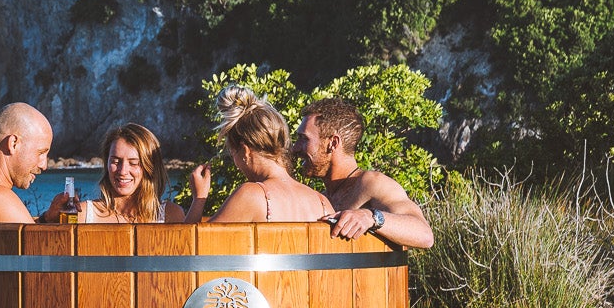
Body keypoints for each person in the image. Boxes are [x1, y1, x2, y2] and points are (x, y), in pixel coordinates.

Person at [292, 96, 435, 249]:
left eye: (303, 138)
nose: (295, 148)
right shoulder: (324, 197)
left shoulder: (371, 184)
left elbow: (425, 235)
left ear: (333, 143)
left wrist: (371, 217)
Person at [211, 88, 333, 223]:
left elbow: (194, 242)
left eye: (233, 153)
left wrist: (198, 199)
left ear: (245, 150)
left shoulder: (251, 195)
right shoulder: (323, 203)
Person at [77, 122, 211, 223]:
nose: (123, 171)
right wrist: (54, 215)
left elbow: (187, 253)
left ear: (150, 167)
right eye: (116, 161)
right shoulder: (84, 214)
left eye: (134, 163)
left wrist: (199, 199)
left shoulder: (169, 214)